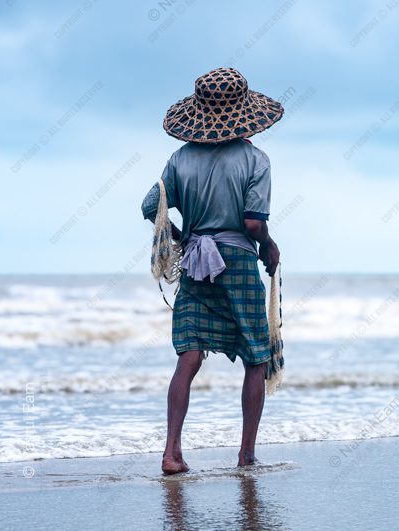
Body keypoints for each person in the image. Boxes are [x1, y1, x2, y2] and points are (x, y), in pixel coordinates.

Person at [141, 67, 283, 474]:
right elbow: (254, 224)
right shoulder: (256, 159)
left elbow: (151, 207)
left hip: (195, 262)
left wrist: (186, 237)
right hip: (237, 261)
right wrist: (269, 246)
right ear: (243, 113)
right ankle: (246, 455)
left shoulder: (179, 159)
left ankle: (171, 453)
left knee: (188, 356)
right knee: (257, 356)